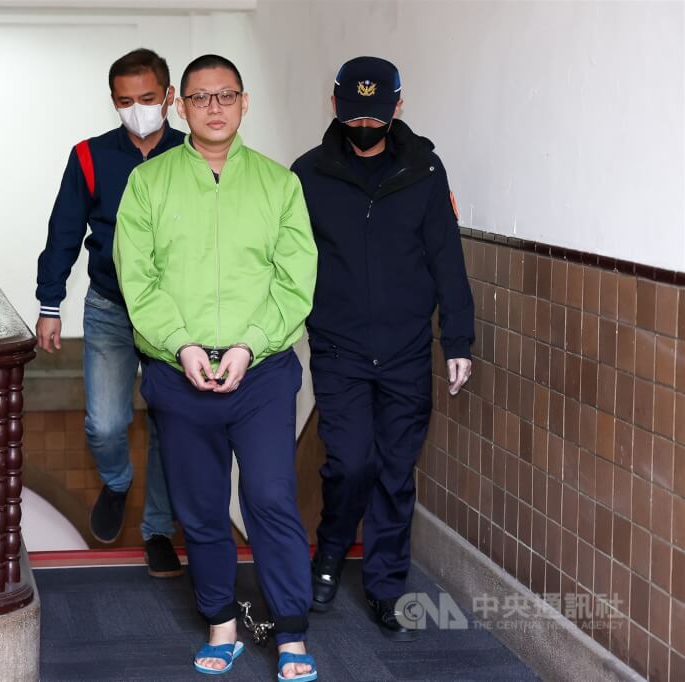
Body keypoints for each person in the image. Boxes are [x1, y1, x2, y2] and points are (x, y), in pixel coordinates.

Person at [115, 54, 319, 681]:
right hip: (180, 375)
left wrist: (248, 345)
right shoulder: (147, 183)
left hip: (261, 374)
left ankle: (291, 633)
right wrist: (181, 345)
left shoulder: (279, 184)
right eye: (201, 97)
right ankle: (221, 623)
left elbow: (295, 280)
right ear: (180, 107)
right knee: (201, 507)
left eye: (226, 95)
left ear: (244, 102)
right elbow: (138, 280)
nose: (214, 107)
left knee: (270, 497)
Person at [291, 56, 474, 640]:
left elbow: (446, 256)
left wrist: (458, 339)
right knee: (350, 463)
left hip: (406, 348)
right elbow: (290, 260)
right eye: (353, 115)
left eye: (375, 114)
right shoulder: (308, 174)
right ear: (334, 107)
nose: (364, 125)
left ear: (397, 107)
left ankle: (385, 586)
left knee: (395, 472)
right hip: (339, 347)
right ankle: (331, 548)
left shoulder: (424, 170)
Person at [35, 48, 184, 577]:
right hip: (109, 307)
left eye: (147, 98)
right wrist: (49, 303)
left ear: (168, 96)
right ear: (113, 102)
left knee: (170, 423)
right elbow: (64, 229)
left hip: (174, 315)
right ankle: (117, 482)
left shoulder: (191, 154)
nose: (136, 109)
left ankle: (158, 530)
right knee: (104, 424)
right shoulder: (89, 155)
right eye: (125, 101)